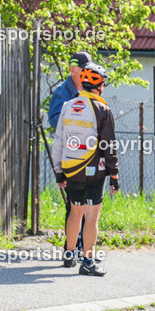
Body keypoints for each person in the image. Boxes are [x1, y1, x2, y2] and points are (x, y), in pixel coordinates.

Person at [51, 63, 119, 276]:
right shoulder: (102, 109)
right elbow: (109, 145)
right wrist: (114, 173)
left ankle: (69, 255)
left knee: (75, 210)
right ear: (99, 84)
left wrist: (58, 170)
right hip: (93, 171)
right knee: (91, 216)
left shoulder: (68, 105)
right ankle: (88, 262)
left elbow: (59, 139)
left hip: (70, 169)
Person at [48, 51, 95, 265]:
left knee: (90, 204)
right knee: (74, 205)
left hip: (90, 156)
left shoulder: (90, 88)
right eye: (83, 69)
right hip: (70, 156)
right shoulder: (62, 94)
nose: (87, 73)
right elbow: (55, 121)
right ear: (73, 70)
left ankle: (86, 250)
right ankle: (70, 249)